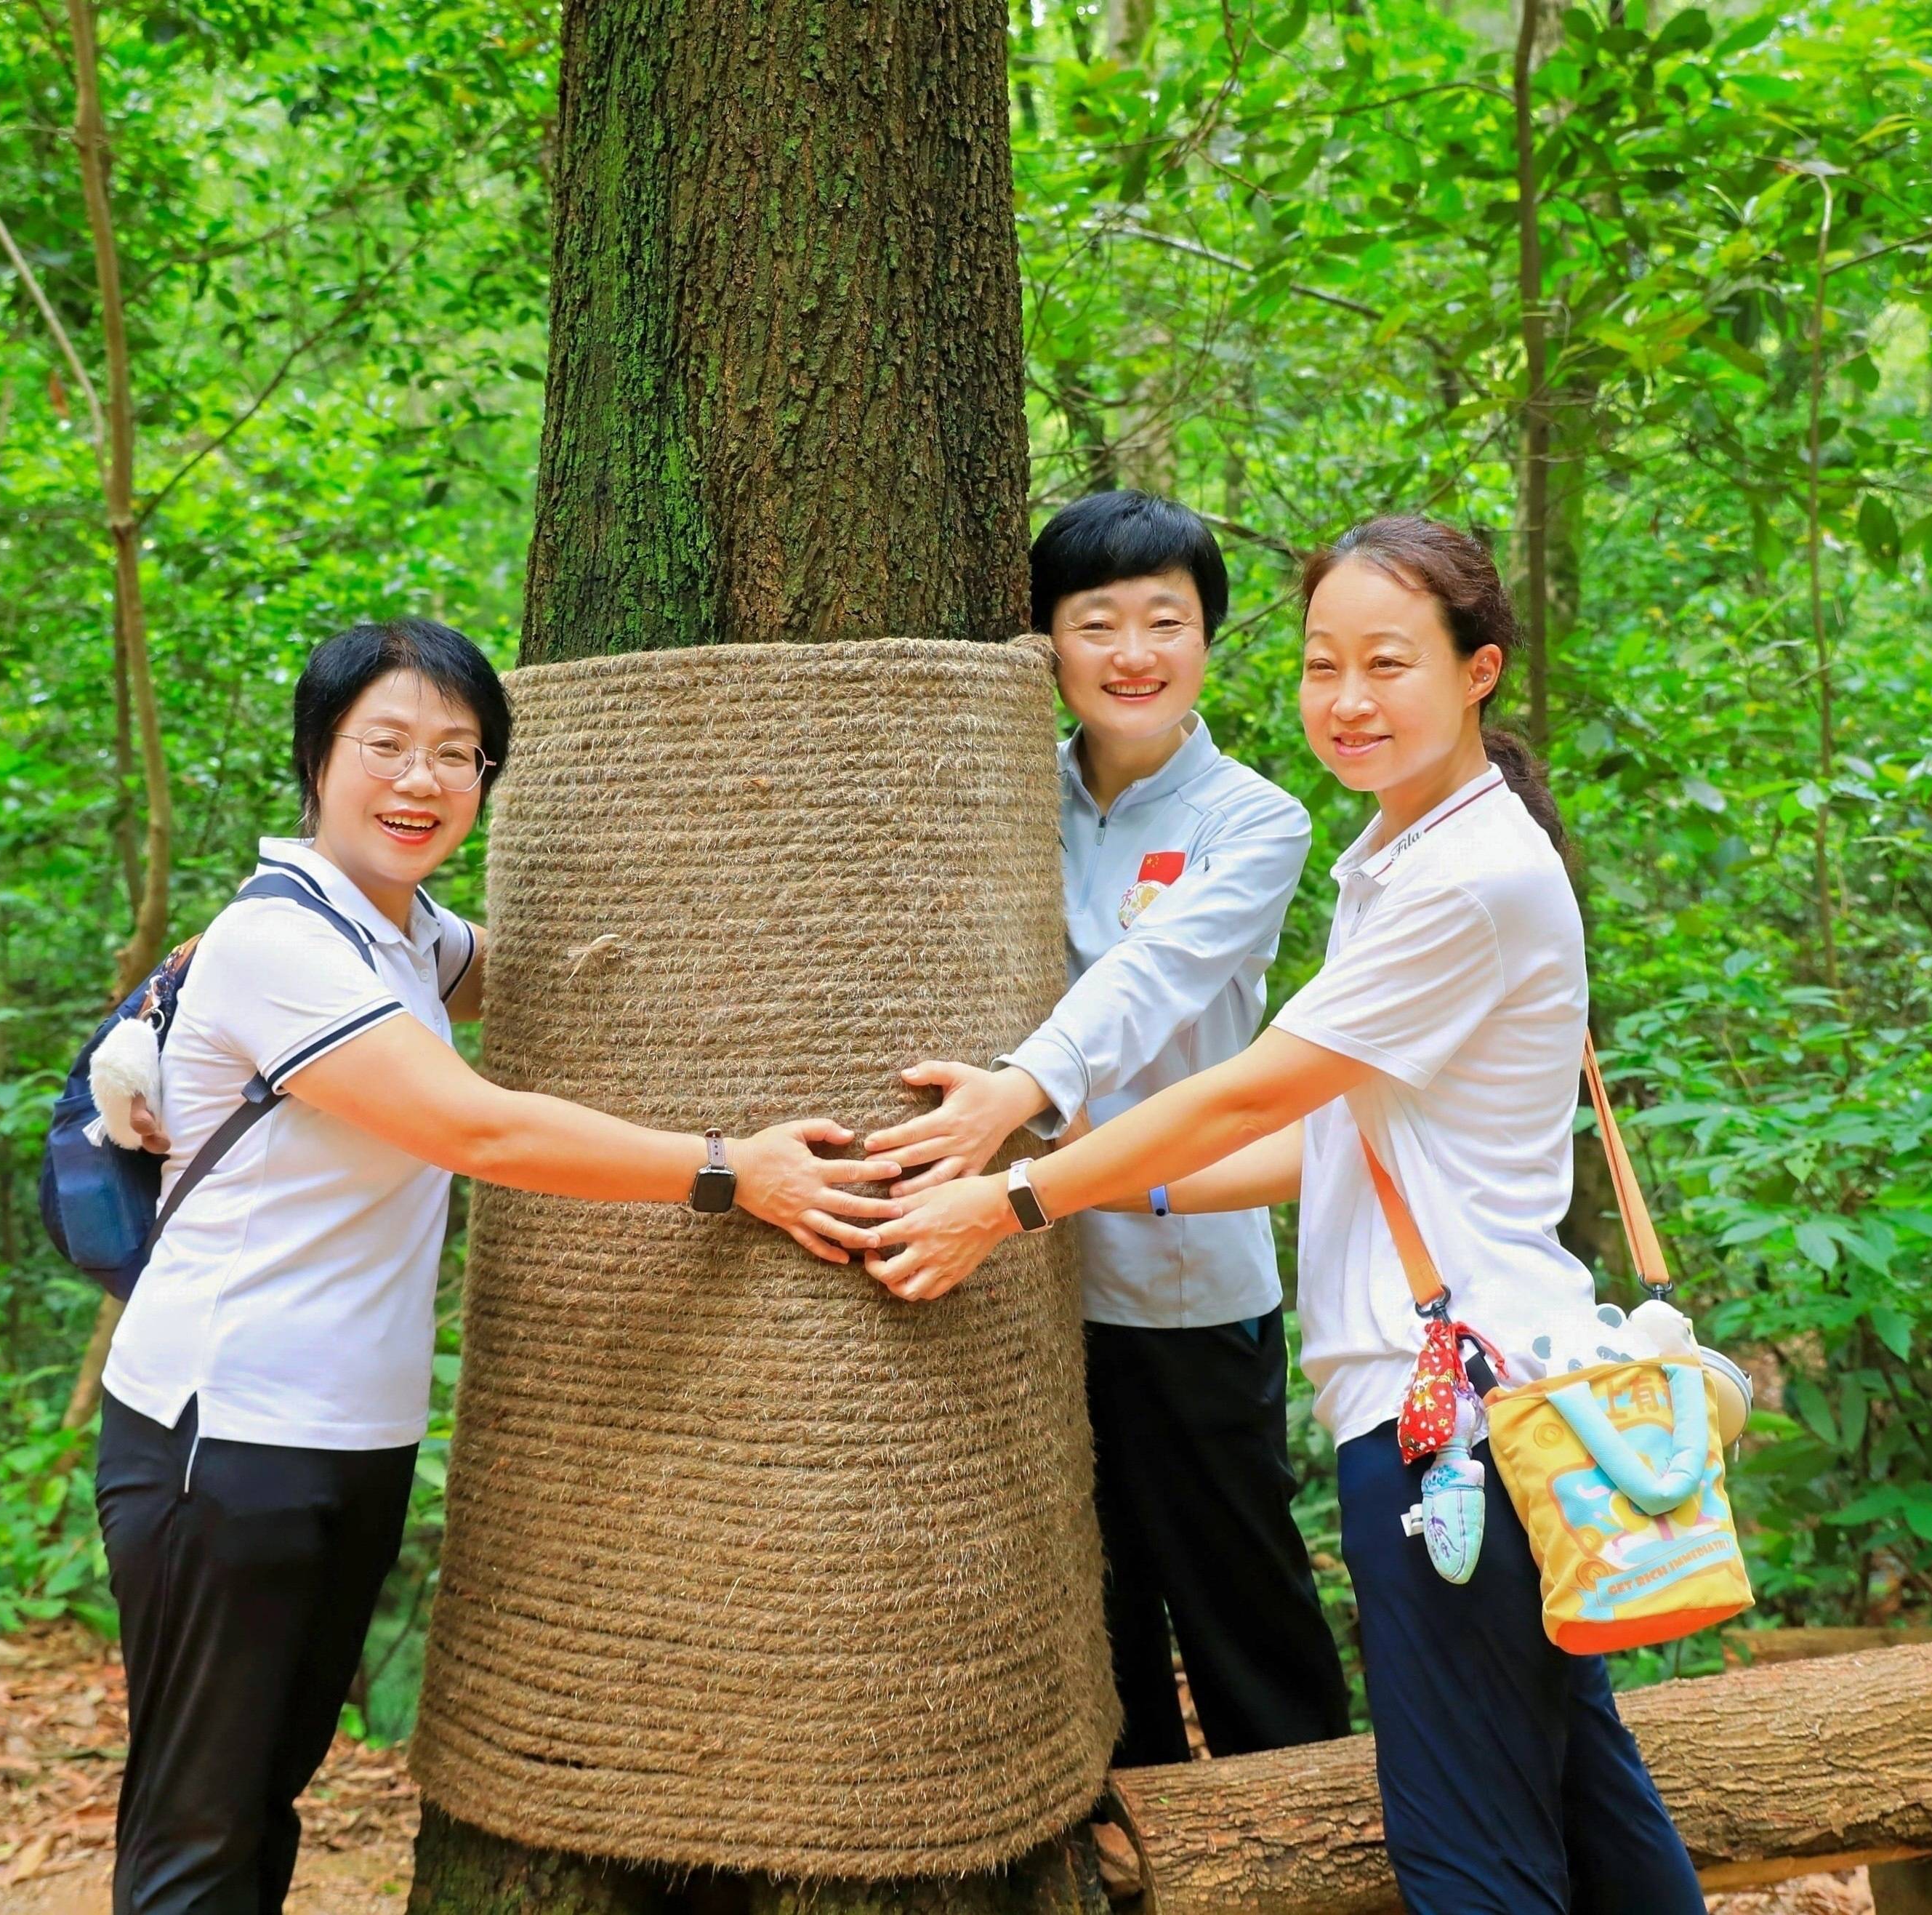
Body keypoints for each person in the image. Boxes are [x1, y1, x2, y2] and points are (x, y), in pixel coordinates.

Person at [858, 518, 1705, 1914]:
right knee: (1582, 1795)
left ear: (1479, 670)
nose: (1350, 700)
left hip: (1452, 1419)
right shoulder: (1399, 852)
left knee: (1469, 1844)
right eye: (1324, 665)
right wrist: (1083, 1176)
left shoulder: (1461, 877)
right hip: (1503, 1397)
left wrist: (1007, 1194)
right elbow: (1331, 1143)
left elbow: (1251, 1091)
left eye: (1390, 663)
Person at [94, 617, 901, 1915]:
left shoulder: (405, 939)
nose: (420, 781)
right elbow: (476, 1125)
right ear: (317, 757)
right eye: (388, 746)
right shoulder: (281, 943)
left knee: (263, 1791)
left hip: (341, 1438)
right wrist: (727, 1168)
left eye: (458, 756)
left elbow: (550, 968)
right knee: (200, 1821)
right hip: (219, 1433)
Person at [864, 489, 1350, 1766]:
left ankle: (1319, 1856)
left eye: (1165, 622)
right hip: (1013, 1277)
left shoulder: (1251, 819)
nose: (1133, 654)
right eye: (1097, 624)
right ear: (1046, 644)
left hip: (1180, 1277)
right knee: (1091, 1613)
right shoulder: (1005, 796)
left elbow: (1152, 985)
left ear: (1206, 638)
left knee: (1237, 1601)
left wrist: (1017, 1091)